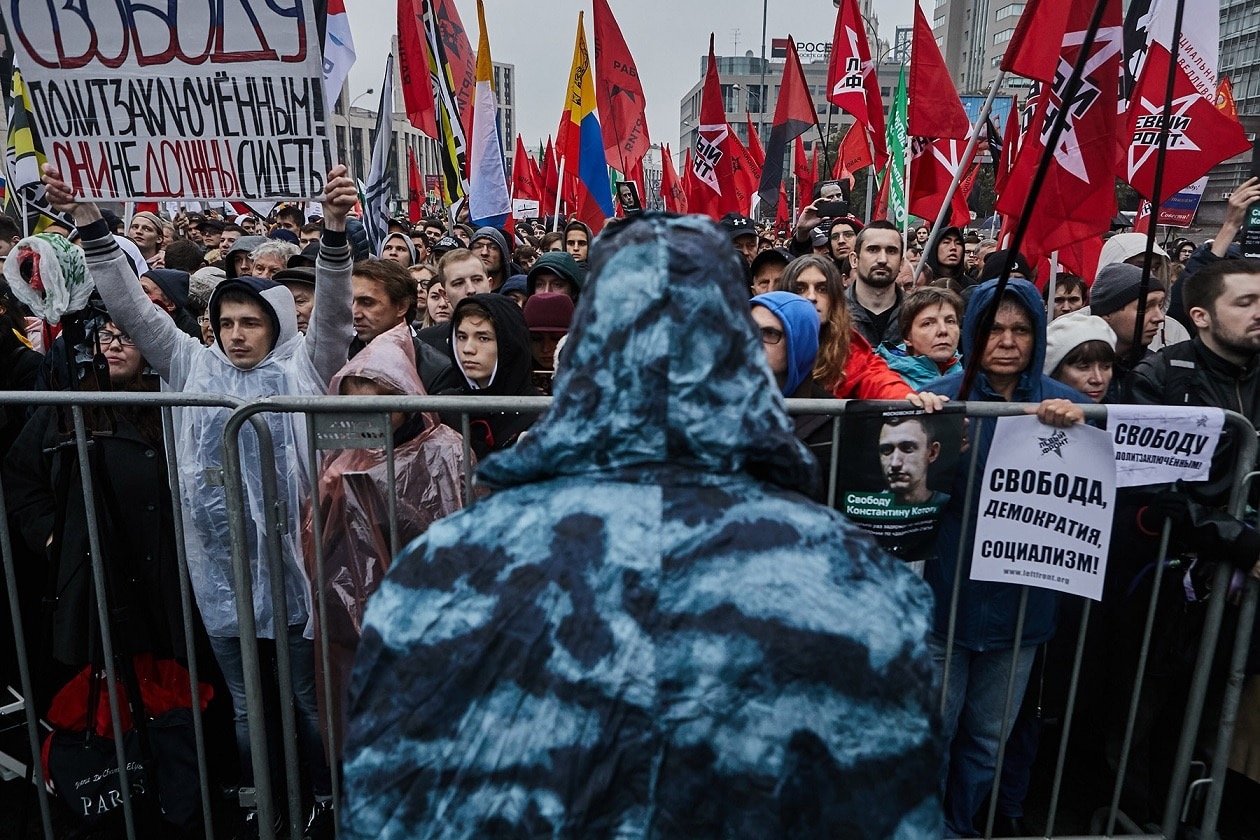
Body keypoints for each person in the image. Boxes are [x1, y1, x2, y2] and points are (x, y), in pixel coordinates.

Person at [341, 212, 941, 838]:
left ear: (592, 343)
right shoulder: (861, 585)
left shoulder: (441, 573)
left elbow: (384, 808)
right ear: (732, 348)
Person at [43, 160, 358, 839]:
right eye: (227, 320)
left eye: (251, 321)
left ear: (276, 326)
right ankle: (262, 800)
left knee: (306, 702)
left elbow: (333, 316)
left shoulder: (305, 368)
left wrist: (334, 233)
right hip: (221, 580)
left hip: (298, 573)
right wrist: (91, 223)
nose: (238, 333)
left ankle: (323, 801)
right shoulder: (188, 363)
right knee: (247, 707)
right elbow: (128, 306)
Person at [921, 277, 1090, 837]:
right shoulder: (941, 400)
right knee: (933, 734)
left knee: (988, 742)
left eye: (1022, 329)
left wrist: (1080, 430)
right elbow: (901, 497)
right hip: (945, 605)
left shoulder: (1071, 406)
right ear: (973, 332)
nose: (1008, 340)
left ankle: (962, 825)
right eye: (995, 328)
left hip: (1023, 613)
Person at [306, 322, 468, 761]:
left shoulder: (445, 449)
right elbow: (317, 541)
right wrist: (332, 491)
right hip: (354, 618)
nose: (364, 402)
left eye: (376, 388)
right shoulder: (343, 452)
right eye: (354, 389)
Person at [777, 255, 940, 404]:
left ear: (835, 299)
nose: (811, 297)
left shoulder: (852, 351)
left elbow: (878, 380)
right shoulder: (764, 345)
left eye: (822, 289)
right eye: (800, 289)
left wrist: (907, 398)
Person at [440, 294, 542, 459]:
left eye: (483, 338)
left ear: (509, 344)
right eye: (461, 337)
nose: (468, 349)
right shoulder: (444, 407)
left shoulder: (538, 414)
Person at [349, 259, 460, 396]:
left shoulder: (438, 371)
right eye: (352, 302)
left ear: (402, 306)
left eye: (367, 303)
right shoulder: (342, 357)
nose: (355, 313)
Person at [1080, 262, 1166, 401]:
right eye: (1144, 308)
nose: (1159, 317)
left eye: (1160, 305)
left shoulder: (1158, 369)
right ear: (1107, 313)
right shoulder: (1071, 368)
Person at [878, 287, 965, 389]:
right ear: (907, 337)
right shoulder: (885, 382)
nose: (943, 330)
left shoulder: (973, 377)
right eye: (928, 323)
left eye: (950, 321)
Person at [415, 248, 494, 351]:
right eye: (458, 283)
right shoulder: (425, 343)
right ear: (445, 295)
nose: (471, 290)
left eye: (477, 280)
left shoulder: (515, 331)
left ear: (489, 284)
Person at [847, 220, 905, 347]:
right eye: (873, 249)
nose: (882, 260)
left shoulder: (917, 313)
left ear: (901, 263)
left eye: (891, 251)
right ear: (854, 260)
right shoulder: (834, 312)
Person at [1043, 312, 1117, 403]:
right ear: (1055, 371)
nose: (1098, 379)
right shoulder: (1028, 414)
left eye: (1106, 367)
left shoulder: (1118, 414)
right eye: (1083, 367)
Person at [878, 416, 946, 506]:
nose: (895, 463)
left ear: (932, 453)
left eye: (908, 448)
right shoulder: (866, 507)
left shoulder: (949, 505)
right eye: (886, 450)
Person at [469, 226, 514, 290]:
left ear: (503, 255)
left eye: (493, 248)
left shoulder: (516, 293)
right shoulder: (462, 293)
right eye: (478, 247)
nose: (484, 253)